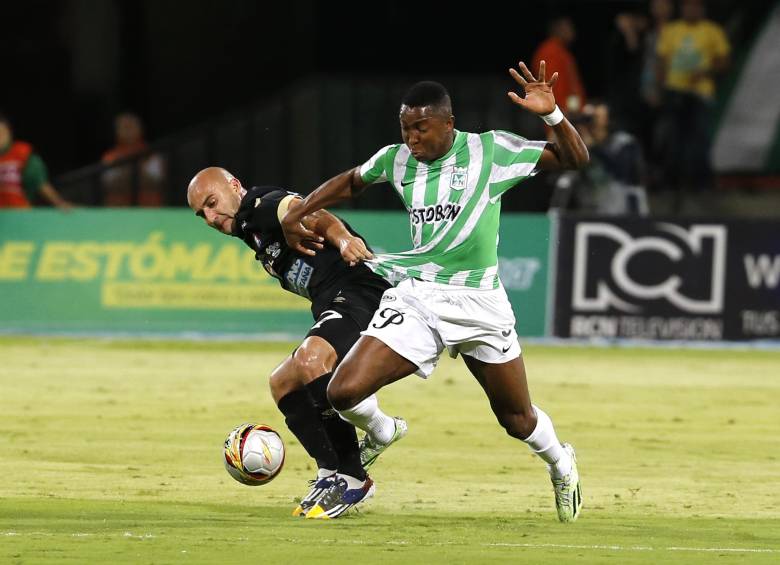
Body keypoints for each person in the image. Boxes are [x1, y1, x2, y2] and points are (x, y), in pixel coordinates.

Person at [281, 62, 589, 522]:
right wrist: (299, 210)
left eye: (421, 128)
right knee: (343, 391)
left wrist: (552, 115)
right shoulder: (397, 160)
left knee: (516, 419)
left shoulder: (490, 151)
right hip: (420, 296)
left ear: (448, 123)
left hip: (480, 303)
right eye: (405, 129)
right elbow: (352, 181)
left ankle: (561, 463)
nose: (411, 139)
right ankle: (383, 430)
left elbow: (574, 160)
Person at [187, 167, 407, 520]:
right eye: (202, 214)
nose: (210, 218)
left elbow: (309, 211)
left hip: (361, 293)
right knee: (282, 382)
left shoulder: (260, 205)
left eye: (212, 203)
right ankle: (330, 470)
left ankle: (354, 477)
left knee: (310, 359)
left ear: (234, 186)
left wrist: (342, 238)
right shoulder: (250, 230)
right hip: (339, 301)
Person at [656, 0, 730, 194]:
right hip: (674, 91)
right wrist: (660, 90)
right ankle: (670, 182)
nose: (691, 10)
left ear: (702, 9)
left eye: (696, 6)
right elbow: (662, 61)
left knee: (700, 138)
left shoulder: (712, 30)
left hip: (700, 93)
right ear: (682, 9)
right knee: (672, 138)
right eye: (688, 6)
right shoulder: (671, 30)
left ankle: (701, 183)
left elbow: (724, 61)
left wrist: (706, 72)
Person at [553, 102, 649, 215]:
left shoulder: (624, 142)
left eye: (597, 117)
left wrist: (595, 148)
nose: (592, 121)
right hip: (595, 207)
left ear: (609, 120)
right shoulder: (583, 144)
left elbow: (622, 172)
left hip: (626, 207)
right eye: (589, 117)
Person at [0, 113, 72, 209]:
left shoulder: (22, 154)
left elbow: (41, 183)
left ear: (9, 132)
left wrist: (59, 203)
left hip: (18, 212)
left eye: (2, 133)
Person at [102, 112, 165, 206]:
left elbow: (156, 181)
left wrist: (127, 172)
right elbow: (109, 184)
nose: (128, 130)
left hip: (149, 207)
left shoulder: (151, 153)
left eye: (131, 126)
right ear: (117, 131)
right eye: (124, 127)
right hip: (118, 208)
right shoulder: (110, 156)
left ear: (141, 129)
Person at [531, 17, 586, 116]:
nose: (572, 31)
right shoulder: (549, 51)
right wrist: (564, 110)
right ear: (557, 29)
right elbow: (551, 85)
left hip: (568, 111)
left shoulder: (562, 51)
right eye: (568, 27)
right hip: (558, 113)